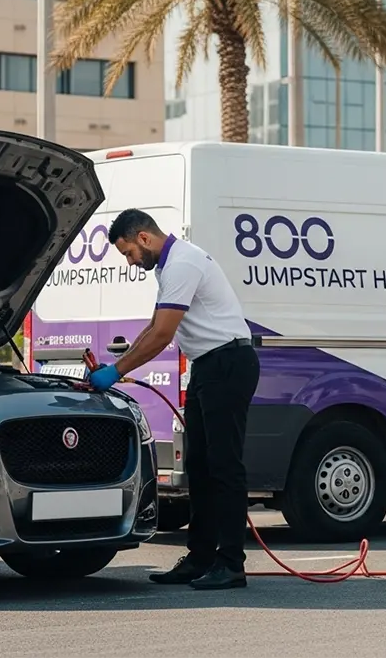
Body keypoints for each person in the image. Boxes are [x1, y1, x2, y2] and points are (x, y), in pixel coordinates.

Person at [87, 208, 259, 590]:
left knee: (224, 466)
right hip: (207, 365)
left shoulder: (183, 263)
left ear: (143, 238)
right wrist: (115, 363)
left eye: (129, 253)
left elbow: (163, 335)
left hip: (228, 362)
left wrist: (114, 373)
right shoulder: (169, 268)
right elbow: (153, 325)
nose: (131, 262)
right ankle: (200, 558)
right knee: (198, 466)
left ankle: (231, 563)